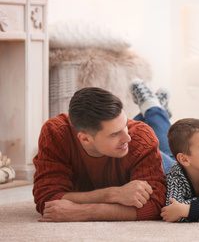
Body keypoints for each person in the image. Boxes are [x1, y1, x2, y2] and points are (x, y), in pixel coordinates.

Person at [33, 87, 167, 222]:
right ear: (85, 139)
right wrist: (113, 194)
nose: (128, 138)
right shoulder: (55, 133)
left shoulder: (140, 138)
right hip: (134, 151)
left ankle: (153, 105)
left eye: (125, 124)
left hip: (166, 162)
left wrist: (84, 212)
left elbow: (155, 205)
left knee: (176, 146)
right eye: (114, 134)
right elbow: (47, 200)